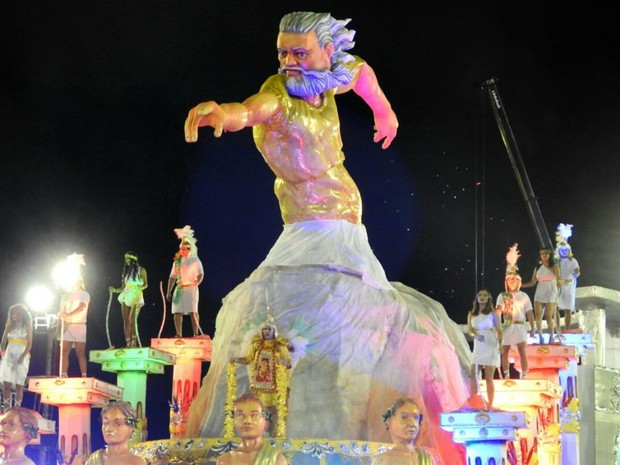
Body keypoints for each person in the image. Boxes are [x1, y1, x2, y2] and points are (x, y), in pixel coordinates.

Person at [184, 12, 471, 465]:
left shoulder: (332, 77)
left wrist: (384, 111)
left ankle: (360, 423)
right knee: (281, 317)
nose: (290, 62)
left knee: (359, 321)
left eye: (300, 53)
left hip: (346, 228)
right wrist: (224, 113)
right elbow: (251, 109)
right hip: (304, 228)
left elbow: (362, 74)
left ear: (326, 53)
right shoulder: (279, 94)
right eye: (283, 52)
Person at [231, 318, 291, 437]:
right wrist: (236, 359)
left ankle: (275, 436)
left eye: (269, 329)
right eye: (264, 329)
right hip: (260, 386)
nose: (266, 331)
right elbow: (248, 359)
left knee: (275, 411)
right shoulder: (257, 345)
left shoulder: (280, 346)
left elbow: (289, 364)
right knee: (260, 410)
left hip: (275, 386)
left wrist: (282, 361)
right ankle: (260, 435)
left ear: (274, 331)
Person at [497, 244, 535, 379]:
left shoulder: (524, 295)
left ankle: (524, 374)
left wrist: (532, 327)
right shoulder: (502, 296)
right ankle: (506, 375)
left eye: (514, 279)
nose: (512, 281)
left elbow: (530, 312)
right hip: (507, 325)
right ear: (507, 281)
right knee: (505, 351)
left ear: (518, 281)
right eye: (509, 279)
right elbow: (499, 310)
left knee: (522, 350)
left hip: (520, 326)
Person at [215, 394, 288, 465]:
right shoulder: (225, 460)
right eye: (240, 415)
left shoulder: (275, 459)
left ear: (266, 422)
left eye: (254, 415)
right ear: (233, 421)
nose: (247, 421)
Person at [371, 398, 436, 465]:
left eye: (416, 418)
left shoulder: (427, 459)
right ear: (389, 422)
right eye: (404, 417)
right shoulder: (382, 460)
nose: (412, 423)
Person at [166, 226, 205, 338]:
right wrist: (169, 291)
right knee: (177, 312)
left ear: (189, 249)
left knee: (193, 312)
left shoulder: (195, 260)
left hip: (191, 289)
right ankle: (178, 334)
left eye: (184, 249)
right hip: (180, 289)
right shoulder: (177, 262)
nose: (182, 251)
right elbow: (172, 277)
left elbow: (201, 274)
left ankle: (196, 333)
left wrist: (197, 282)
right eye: (181, 249)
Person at [467, 289, 502, 409]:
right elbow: (470, 330)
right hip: (478, 344)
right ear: (477, 298)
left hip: (490, 344)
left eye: (485, 295)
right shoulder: (472, 313)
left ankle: (490, 404)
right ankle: (475, 399)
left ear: (489, 298)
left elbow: (499, 330)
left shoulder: (493, 313)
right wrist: (475, 335)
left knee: (488, 376)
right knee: (473, 372)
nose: (482, 297)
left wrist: (501, 345)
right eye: (480, 295)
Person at [84, 401, 146, 465]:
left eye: (118, 423)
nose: (109, 428)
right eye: (106, 423)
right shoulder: (93, 459)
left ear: (131, 427)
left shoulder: (135, 462)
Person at [522, 247, 561, 343]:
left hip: (551, 291)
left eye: (546, 253)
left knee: (548, 315)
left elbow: (559, 280)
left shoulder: (555, 266)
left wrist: (558, 292)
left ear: (549, 255)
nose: (544, 255)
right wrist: (521, 285)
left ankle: (551, 335)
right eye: (542, 254)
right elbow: (533, 282)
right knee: (538, 315)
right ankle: (540, 336)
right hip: (540, 292)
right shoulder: (538, 267)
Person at [110, 252, 148, 347]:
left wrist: (140, 288)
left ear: (133, 260)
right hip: (126, 294)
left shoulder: (141, 270)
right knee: (126, 320)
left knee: (132, 319)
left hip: (136, 294)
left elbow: (145, 284)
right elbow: (123, 287)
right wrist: (115, 290)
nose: (126, 261)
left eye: (127, 259)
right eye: (125, 258)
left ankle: (134, 342)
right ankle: (128, 342)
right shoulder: (126, 273)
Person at [0, 305, 33, 410]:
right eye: (12, 313)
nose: (14, 315)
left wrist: (22, 356)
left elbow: (29, 345)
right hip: (9, 355)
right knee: (6, 384)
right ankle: (6, 409)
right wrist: (4, 354)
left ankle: (17, 409)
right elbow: (2, 344)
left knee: (19, 385)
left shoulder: (27, 327)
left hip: (22, 356)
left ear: (22, 314)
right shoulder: (9, 327)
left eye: (16, 313)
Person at [57, 278, 90, 377]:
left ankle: (84, 375)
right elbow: (61, 311)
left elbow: (81, 307)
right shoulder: (66, 295)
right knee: (64, 351)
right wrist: (59, 326)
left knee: (80, 351)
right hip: (67, 325)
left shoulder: (84, 294)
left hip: (79, 325)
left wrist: (69, 314)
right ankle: (63, 374)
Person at [555, 223, 580, 332]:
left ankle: (567, 328)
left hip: (569, 286)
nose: (564, 251)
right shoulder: (556, 261)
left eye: (566, 250)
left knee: (568, 309)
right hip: (558, 285)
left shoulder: (573, 261)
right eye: (562, 250)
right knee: (554, 307)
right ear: (559, 251)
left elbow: (577, 271)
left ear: (569, 251)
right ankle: (557, 328)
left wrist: (576, 272)